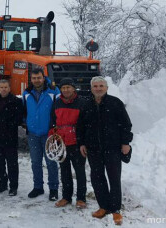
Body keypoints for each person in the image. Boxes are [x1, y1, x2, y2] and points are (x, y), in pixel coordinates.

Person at [77, 76, 133, 225]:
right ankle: (103, 206)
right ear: (91, 88)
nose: (98, 88)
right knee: (97, 178)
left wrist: (125, 143)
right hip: (93, 148)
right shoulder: (86, 105)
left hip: (112, 148)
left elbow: (126, 125)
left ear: (106, 88)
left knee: (114, 178)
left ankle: (115, 210)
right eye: (95, 86)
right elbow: (81, 126)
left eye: (101, 86)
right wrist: (82, 143)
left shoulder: (115, 103)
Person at [22, 68, 60, 201]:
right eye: (34, 78)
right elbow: (24, 110)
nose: (36, 80)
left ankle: (53, 189)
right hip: (33, 133)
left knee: (51, 162)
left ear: (43, 78)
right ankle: (38, 187)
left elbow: (59, 110)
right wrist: (26, 122)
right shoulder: (26, 93)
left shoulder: (53, 91)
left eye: (39, 78)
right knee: (35, 162)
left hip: (49, 133)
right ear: (31, 79)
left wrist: (55, 126)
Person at [49, 78, 87, 208]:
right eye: (63, 88)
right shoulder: (57, 103)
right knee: (65, 171)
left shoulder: (82, 103)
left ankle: (81, 198)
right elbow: (53, 121)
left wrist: (83, 142)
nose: (65, 90)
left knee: (79, 171)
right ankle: (66, 197)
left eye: (68, 87)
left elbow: (86, 124)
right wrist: (53, 136)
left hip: (76, 142)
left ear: (73, 88)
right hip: (62, 143)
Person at [0, 79, 23, 196]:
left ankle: (13, 187)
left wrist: (7, 125)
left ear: (9, 88)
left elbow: (18, 119)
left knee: (12, 164)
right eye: (1, 87)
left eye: (5, 87)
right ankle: (2, 184)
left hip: (10, 137)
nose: (3, 89)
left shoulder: (16, 102)